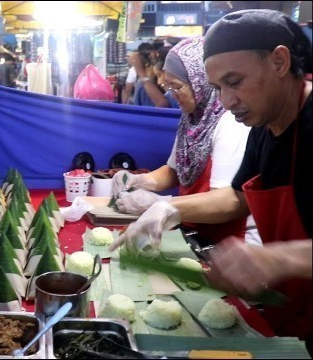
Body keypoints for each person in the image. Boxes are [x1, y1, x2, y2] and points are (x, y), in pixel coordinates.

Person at [112, 9, 312, 348]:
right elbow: (238, 197)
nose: (227, 101)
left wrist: (280, 258)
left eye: (234, 83)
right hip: (291, 314)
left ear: (279, 61)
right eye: (217, 87)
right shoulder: (265, 127)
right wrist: (169, 209)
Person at [109, 37, 257, 250]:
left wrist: (163, 205)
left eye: (177, 87)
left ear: (201, 83)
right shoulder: (192, 118)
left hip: (225, 243)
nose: (171, 95)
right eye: (167, 86)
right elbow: (174, 171)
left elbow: (227, 203)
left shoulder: (230, 122)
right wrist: (139, 180)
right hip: (192, 233)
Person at [131, 42, 177, 108]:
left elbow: (163, 105)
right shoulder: (145, 86)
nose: (159, 82)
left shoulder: (175, 92)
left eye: (159, 75)